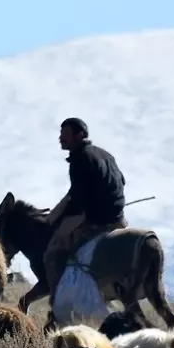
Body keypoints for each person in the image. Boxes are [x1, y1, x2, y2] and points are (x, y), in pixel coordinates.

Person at [42, 117, 128, 314]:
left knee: (52, 253)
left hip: (96, 221)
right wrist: (54, 213)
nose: (60, 139)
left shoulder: (80, 159)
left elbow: (80, 205)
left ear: (79, 135)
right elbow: (121, 181)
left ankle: (57, 307)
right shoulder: (105, 154)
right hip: (118, 217)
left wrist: (62, 227)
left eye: (64, 135)